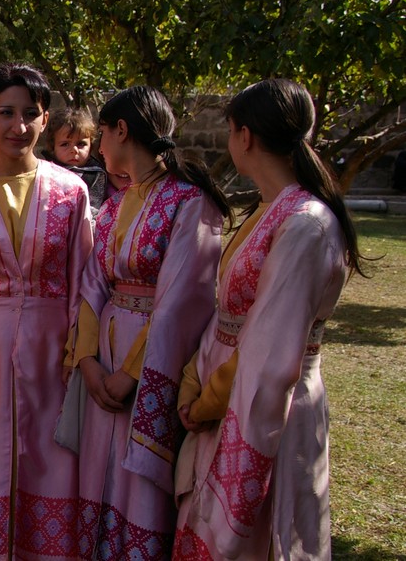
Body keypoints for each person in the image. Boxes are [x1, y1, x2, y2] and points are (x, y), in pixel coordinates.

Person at [173, 79, 361, 560]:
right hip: (228, 396)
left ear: (245, 136)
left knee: (264, 538)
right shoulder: (271, 211)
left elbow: (271, 351)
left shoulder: (304, 224)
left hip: (265, 408)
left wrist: (204, 403)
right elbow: (232, 320)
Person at [64, 86, 229, 558]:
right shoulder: (118, 202)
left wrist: (130, 375)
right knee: (99, 475)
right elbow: (93, 283)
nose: (98, 148)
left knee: (139, 486)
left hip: (149, 363)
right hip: (106, 359)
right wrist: (89, 361)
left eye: (103, 136)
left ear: (121, 130)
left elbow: (182, 303)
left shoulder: (191, 202)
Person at [0, 64, 93, 559]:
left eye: (30, 113)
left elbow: (83, 283)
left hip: (52, 350)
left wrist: (78, 352)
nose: (18, 126)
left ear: (45, 118)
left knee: (49, 459)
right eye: (5, 113)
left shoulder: (72, 191)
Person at [45, 107, 129, 212]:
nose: (74, 150)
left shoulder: (95, 175)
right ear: (53, 148)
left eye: (81, 144)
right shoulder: (46, 172)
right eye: (65, 144)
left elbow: (94, 209)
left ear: (91, 147)